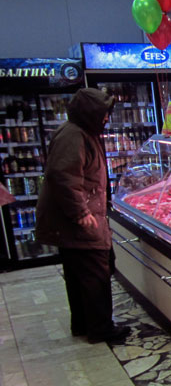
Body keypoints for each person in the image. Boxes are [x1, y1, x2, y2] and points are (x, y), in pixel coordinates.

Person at [35, 88, 131, 344]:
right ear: (90, 113)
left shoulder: (79, 131)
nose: (106, 118)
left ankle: (82, 324)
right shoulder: (74, 136)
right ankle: (101, 329)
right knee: (94, 274)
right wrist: (80, 213)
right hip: (79, 220)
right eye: (103, 114)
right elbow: (62, 176)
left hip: (76, 218)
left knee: (78, 275)